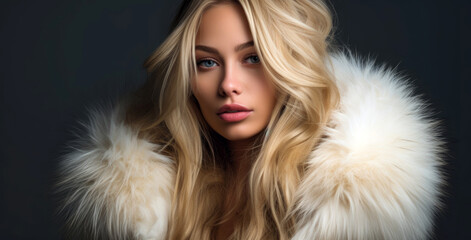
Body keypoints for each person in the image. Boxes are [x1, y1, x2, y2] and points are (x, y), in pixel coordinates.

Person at [57, 0, 444, 239]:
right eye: (207, 62)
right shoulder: (138, 204)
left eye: (253, 58)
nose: (228, 85)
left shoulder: (347, 209)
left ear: (289, 64)